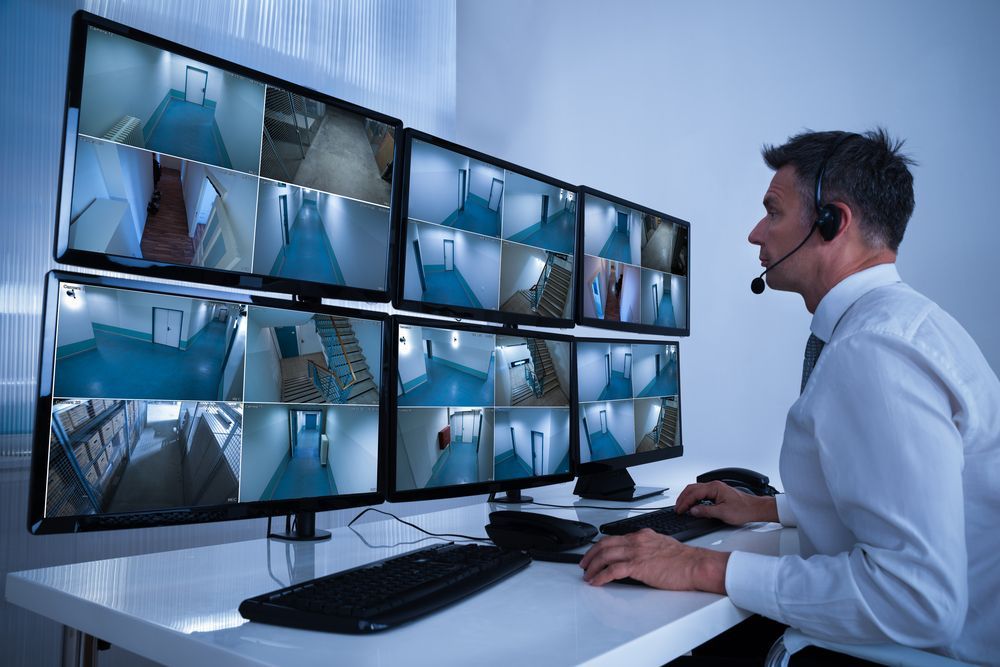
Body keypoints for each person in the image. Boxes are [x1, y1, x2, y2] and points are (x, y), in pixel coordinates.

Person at [579, 129, 1000, 665]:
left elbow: (917, 597)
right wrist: (765, 508)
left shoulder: (873, 351)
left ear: (832, 222)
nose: (756, 234)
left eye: (773, 212)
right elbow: (910, 496)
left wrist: (697, 566)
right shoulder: (901, 324)